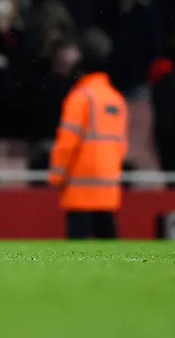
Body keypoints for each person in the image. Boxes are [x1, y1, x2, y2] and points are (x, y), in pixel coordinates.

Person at [48, 31, 129, 240]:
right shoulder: (116, 100)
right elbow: (121, 147)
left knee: (77, 255)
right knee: (111, 253)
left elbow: (66, 144)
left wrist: (56, 177)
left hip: (79, 192)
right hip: (108, 191)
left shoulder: (80, 97)